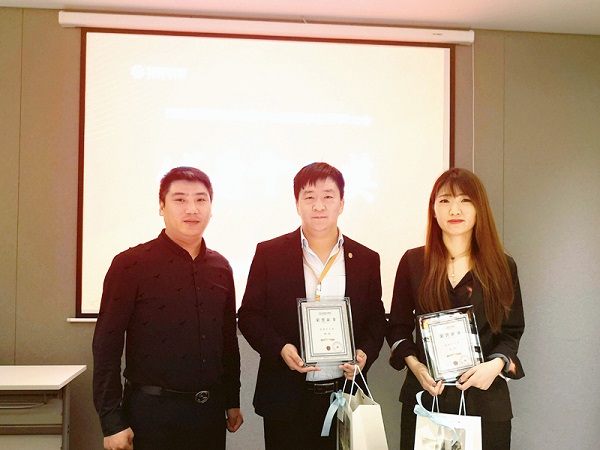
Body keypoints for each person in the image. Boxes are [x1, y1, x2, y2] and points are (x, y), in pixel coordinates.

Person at [237, 162, 386, 450]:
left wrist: (364, 354)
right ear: (297, 204)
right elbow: (249, 315)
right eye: (309, 197)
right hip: (286, 397)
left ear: (341, 203)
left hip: (345, 396)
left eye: (328, 196)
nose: (319, 205)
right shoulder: (270, 254)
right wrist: (280, 348)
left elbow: (376, 319)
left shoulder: (366, 259)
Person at [92, 167, 243, 450]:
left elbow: (227, 341)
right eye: (180, 199)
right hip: (151, 414)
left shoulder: (221, 267)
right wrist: (111, 421)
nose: (192, 209)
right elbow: (106, 346)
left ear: (211, 208)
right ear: (161, 206)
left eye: (201, 200)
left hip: (209, 414)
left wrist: (232, 400)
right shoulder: (130, 265)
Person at [386, 168, 525, 450]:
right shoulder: (413, 262)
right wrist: (417, 367)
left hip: (485, 400)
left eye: (465, 200)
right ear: (433, 209)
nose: (454, 209)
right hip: (427, 398)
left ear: (479, 208)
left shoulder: (502, 266)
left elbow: (512, 332)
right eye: (445, 200)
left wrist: (494, 366)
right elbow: (398, 327)